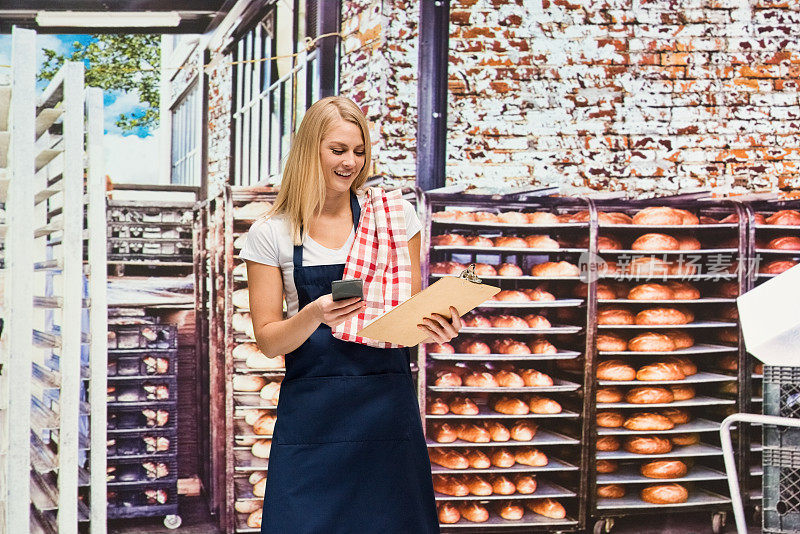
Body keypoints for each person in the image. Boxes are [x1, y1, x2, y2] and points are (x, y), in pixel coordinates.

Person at [240, 96, 461, 533]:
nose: (351, 162)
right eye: (338, 150)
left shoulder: (394, 218)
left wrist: (436, 325)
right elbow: (268, 341)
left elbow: (407, 319)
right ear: (309, 151)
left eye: (359, 151)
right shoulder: (273, 232)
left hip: (386, 409)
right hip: (313, 416)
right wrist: (315, 314)